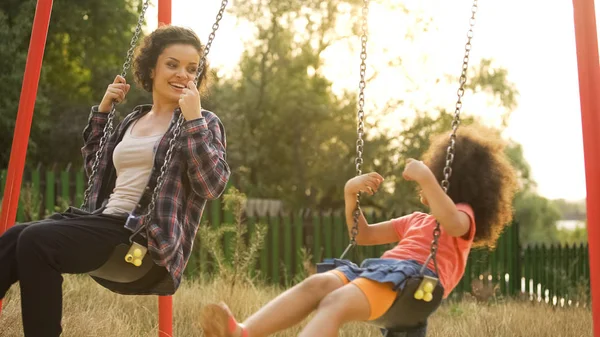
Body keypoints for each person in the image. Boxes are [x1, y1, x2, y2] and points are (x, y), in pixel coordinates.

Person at [0, 25, 230, 337]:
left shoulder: (204, 122)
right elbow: (98, 171)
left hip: (140, 239)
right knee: (15, 237)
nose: (182, 75)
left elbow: (212, 185)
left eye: (192, 69)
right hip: (103, 221)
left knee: (37, 241)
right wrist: (104, 112)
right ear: (152, 68)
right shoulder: (134, 119)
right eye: (172, 64)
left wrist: (193, 120)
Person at [199, 124, 517, 337]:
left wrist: (426, 179)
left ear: (450, 181)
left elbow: (452, 221)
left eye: (434, 175)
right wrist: (350, 195)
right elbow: (362, 236)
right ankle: (242, 332)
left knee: (335, 304)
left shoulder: (463, 217)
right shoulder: (415, 221)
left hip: (412, 283)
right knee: (319, 284)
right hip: (379, 273)